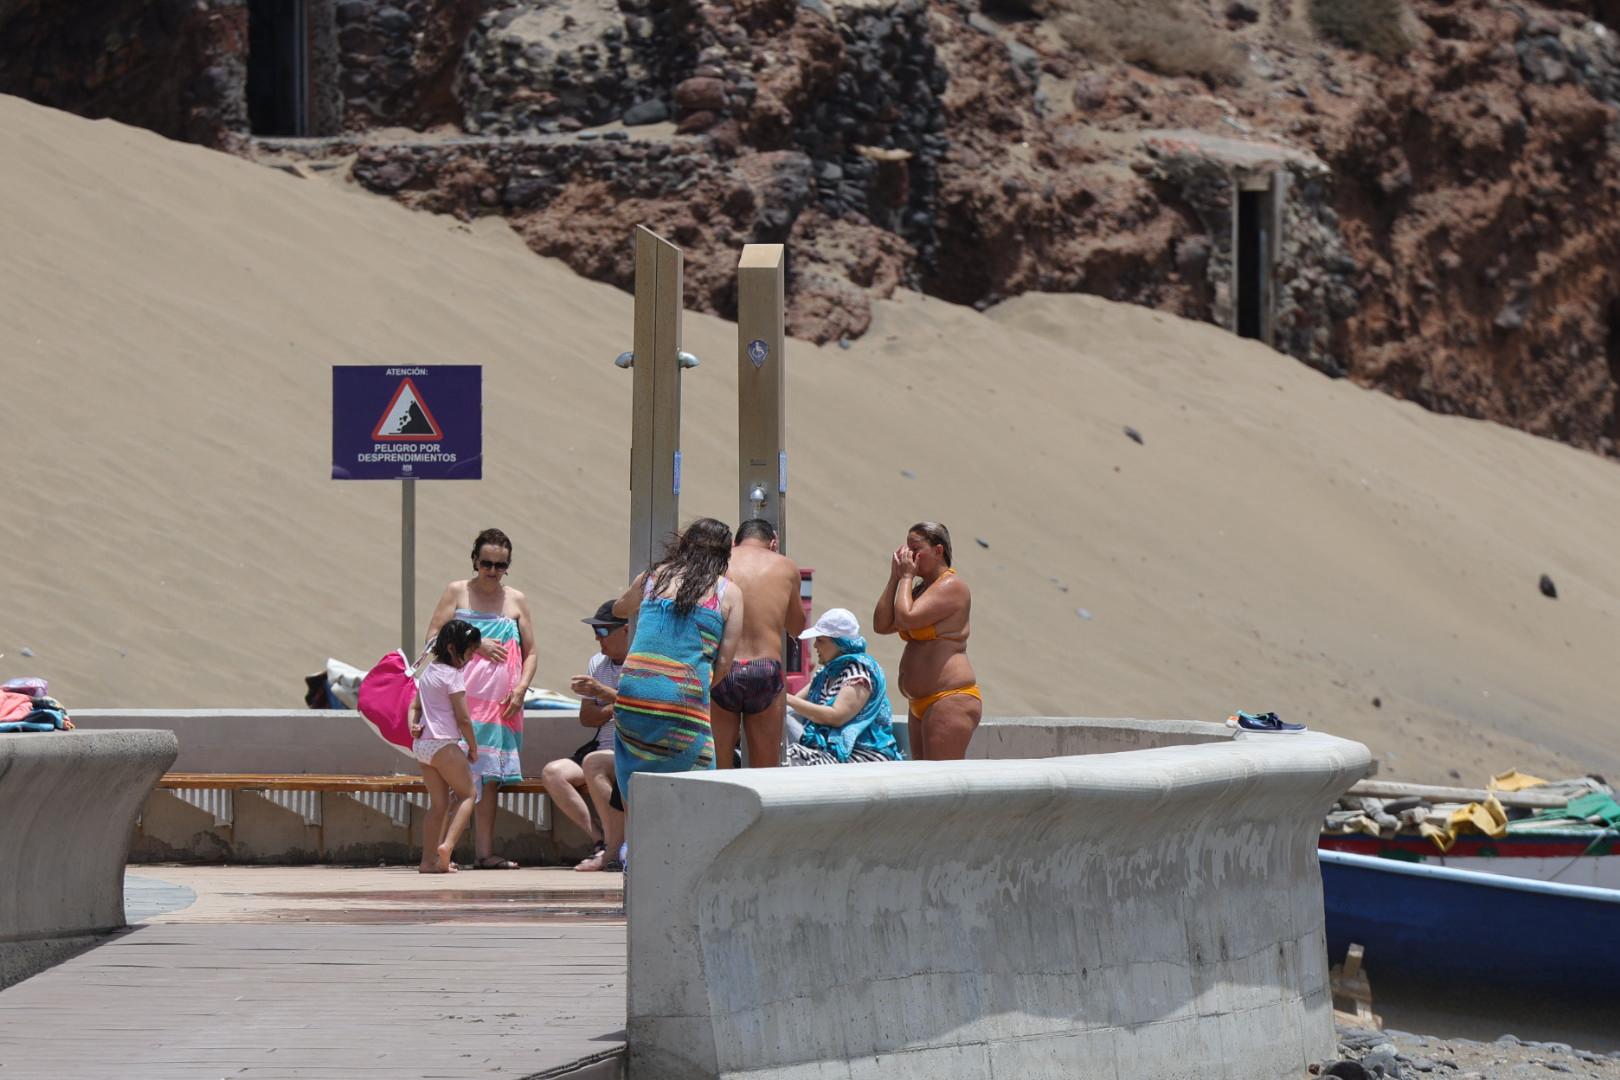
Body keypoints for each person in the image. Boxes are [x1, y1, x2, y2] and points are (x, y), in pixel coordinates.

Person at [611, 518, 743, 814]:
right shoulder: (728, 592)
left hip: (633, 691)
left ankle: (636, 837)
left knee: (634, 774)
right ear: (725, 555)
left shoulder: (652, 578)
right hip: (682, 694)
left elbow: (619, 609)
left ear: (683, 544)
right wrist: (694, 688)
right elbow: (724, 663)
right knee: (693, 781)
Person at [423, 528, 537, 870]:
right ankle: (438, 854)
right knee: (453, 781)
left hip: (500, 706)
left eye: (500, 566)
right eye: (486, 563)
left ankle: (484, 853)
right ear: (474, 560)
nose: (492, 571)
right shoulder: (457, 592)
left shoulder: (516, 600)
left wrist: (521, 689)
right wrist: (477, 643)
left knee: (489, 780)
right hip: (457, 703)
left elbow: (531, 652)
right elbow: (432, 639)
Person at [872, 520, 981, 760]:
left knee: (942, 777)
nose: (910, 556)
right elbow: (882, 625)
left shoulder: (952, 586)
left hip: (949, 697)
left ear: (938, 550)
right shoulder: (921, 590)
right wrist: (895, 578)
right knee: (923, 775)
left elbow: (906, 617)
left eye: (916, 549)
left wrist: (906, 577)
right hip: (919, 702)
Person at [709, 519, 805, 768]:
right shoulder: (785, 566)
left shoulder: (719, 562)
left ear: (735, 542)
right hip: (765, 669)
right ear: (773, 543)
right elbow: (796, 627)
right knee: (765, 770)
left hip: (723, 668)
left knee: (719, 767)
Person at [541, 601, 628, 872]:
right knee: (553, 773)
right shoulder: (596, 663)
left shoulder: (639, 663)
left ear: (626, 630)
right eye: (595, 631)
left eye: (603, 631)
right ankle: (600, 840)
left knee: (594, 763)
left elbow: (643, 709)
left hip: (628, 748)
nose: (597, 638)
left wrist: (603, 695)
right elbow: (587, 718)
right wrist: (615, 703)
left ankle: (614, 847)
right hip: (601, 745)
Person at [407, 619, 482, 873]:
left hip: (423, 746)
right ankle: (447, 847)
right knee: (468, 795)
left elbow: (415, 707)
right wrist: (473, 747)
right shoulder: (453, 676)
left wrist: (412, 725)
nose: (471, 657)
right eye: (469, 651)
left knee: (438, 805)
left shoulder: (429, 671)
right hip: (444, 743)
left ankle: (427, 862)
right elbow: (464, 719)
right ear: (452, 648)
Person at [783, 608, 903, 765]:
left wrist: (786, 698)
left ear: (839, 643)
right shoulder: (825, 674)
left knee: (788, 758)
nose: (815, 646)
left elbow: (836, 716)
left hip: (862, 754)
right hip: (829, 749)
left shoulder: (858, 674)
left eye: (820, 640)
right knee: (782, 721)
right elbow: (791, 707)